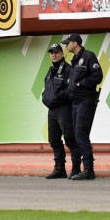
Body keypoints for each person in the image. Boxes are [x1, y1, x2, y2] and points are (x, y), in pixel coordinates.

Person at [62, 33, 102, 181]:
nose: (66, 46)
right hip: (75, 102)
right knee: (75, 135)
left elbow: (98, 76)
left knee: (81, 134)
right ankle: (78, 169)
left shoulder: (88, 56)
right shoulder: (74, 60)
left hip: (86, 100)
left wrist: (81, 83)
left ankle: (89, 169)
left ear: (75, 43)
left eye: (68, 43)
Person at [40, 42, 74, 179]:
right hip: (52, 110)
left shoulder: (68, 69)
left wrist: (57, 97)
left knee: (70, 139)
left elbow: (71, 90)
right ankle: (59, 169)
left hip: (64, 108)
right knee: (53, 140)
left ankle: (77, 167)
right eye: (52, 52)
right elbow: (47, 89)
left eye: (57, 52)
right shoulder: (50, 70)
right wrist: (45, 97)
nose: (54, 55)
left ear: (63, 53)